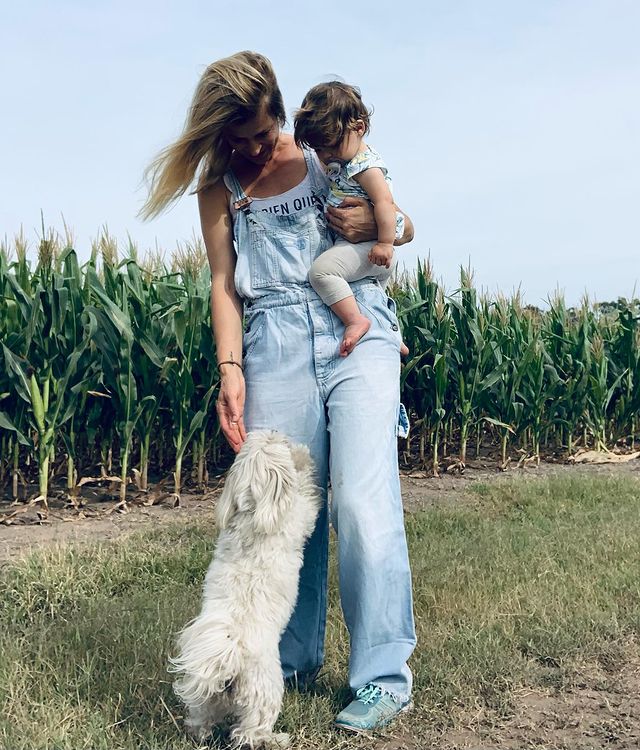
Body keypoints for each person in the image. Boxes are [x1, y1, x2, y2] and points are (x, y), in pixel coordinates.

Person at [141, 50, 417, 734]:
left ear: (281, 112)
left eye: (267, 133)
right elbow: (222, 283)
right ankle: (289, 660)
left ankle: (382, 677)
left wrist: (377, 228)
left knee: (361, 502)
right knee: (280, 514)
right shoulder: (220, 189)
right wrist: (230, 370)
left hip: (354, 326)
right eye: (243, 140)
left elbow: (402, 223)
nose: (260, 148)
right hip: (274, 340)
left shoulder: (325, 154)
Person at [294, 81, 409, 357]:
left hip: (370, 248)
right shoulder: (345, 162)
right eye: (318, 150)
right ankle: (392, 334)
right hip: (365, 250)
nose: (325, 156)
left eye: (332, 146)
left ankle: (355, 320)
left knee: (321, 273)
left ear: (359, 128)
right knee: (374, 296)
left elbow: (385, 203)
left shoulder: (366, 167)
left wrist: (384, 243)